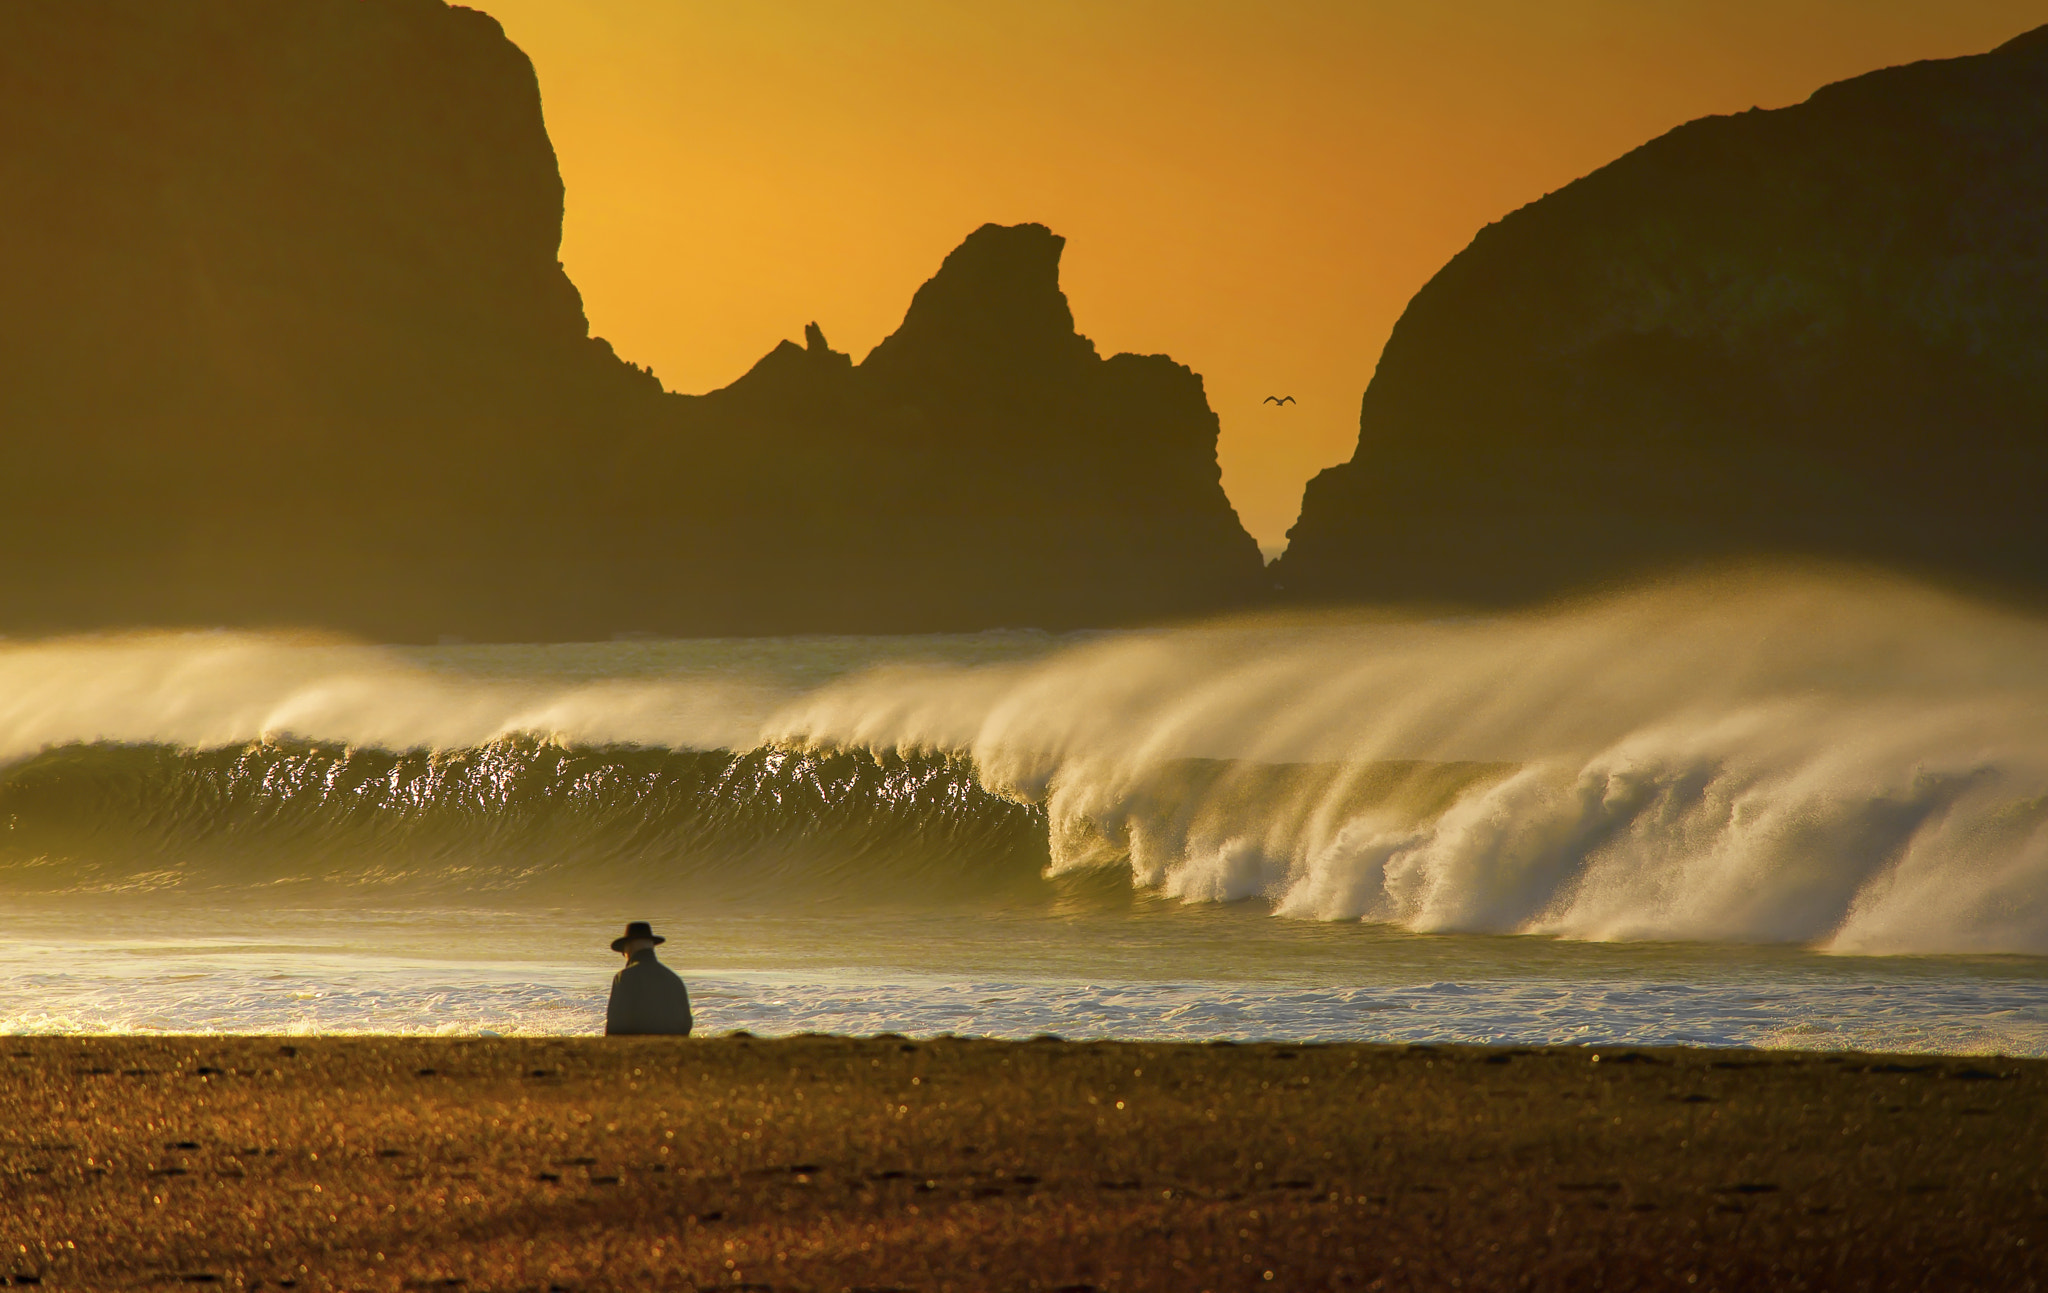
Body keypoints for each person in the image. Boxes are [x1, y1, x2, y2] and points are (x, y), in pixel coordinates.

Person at [604, 920, 693, 1036]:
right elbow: (686, 1023)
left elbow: (615, 1024)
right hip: (673, 1047)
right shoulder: (674, 979)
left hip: (636, 1047)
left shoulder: (624, 977)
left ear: (629, 948)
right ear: (652, 947)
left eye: (623, 952)